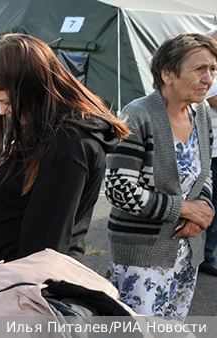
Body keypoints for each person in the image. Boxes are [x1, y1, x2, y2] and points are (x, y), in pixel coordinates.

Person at [0, 34, 130, 274]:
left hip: (25, 290)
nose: (3, 111)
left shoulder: (67, 143)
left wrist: (20, 289)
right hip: (12, 281)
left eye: (6, 101)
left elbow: (46, 242)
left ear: (31, 88)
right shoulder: (46, 128)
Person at [105, 33, 217, 318]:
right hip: (142, 257)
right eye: (199, 69)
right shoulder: (138, 114)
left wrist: (201, 212)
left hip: (186, 253)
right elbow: (119, 189)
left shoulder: (200, 112)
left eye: (213, 69)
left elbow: (205, 173)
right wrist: (183, 209)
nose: (209, 78)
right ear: (167, 73)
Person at [200, 29, 217, 277]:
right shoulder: (207, 71)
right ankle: (203, 255)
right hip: (210, 149)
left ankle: (207, 253)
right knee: (208, 201)